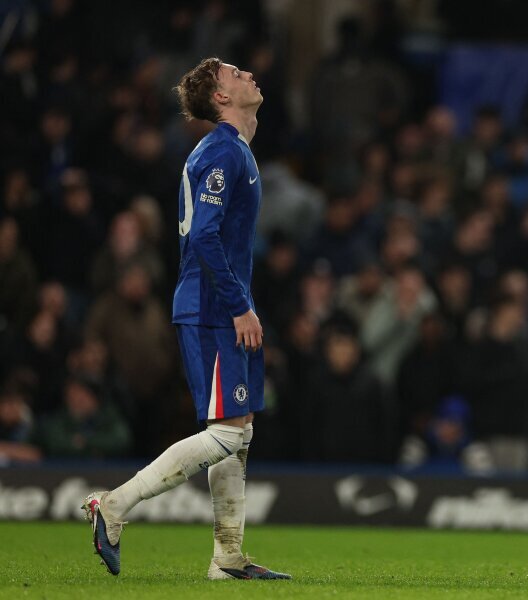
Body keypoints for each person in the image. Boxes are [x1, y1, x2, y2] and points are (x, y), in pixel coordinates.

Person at [82, 57, 289, 580]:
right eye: (236, 74)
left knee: (236, 429)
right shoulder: (222, 151)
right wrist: (240, 304)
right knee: (226, 432)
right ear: (221, 98)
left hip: (220, 303)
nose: (248, 77)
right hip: (213, 307)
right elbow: (204, 236)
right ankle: (115, 506)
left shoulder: (232, 149)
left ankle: (228, 557)